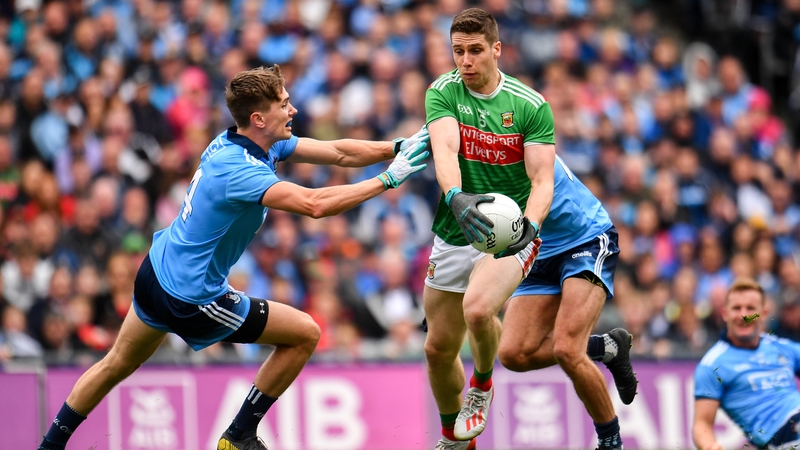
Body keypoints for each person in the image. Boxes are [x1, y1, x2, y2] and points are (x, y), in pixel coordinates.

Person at [38, 64, 430, 450]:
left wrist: (398, 147)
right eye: (285, 104)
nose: (293, 110)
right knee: (305, 335)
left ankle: (50, 446)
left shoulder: (244, 140)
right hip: (191, 297)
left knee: (115, 364)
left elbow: (339, 153)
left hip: (157, 271)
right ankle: (239, 435)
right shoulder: (240, 170)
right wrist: (387, 180)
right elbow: (313, 204)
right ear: (259, 118)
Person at [423, 8, 637, 450]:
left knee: (564, 348)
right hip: (520, 234)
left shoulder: (529, 105)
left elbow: (541, 182)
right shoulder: (444, 95)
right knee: (514, 355)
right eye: (457, 52)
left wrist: (530, 226)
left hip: (576, 233)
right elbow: (444, 153)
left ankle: (610, 441)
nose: (465, 61)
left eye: (475, 51)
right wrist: (455, 197)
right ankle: (609, 349)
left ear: (497, 50)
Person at [693, 278, 800, 450]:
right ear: (724, 313)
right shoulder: (713, 365)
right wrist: (709, 446)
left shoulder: (781, 347)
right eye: (737, 308)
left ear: (763, 313)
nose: (744, 315)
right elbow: (702, 424)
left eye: (750, 308)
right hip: (781, 437)